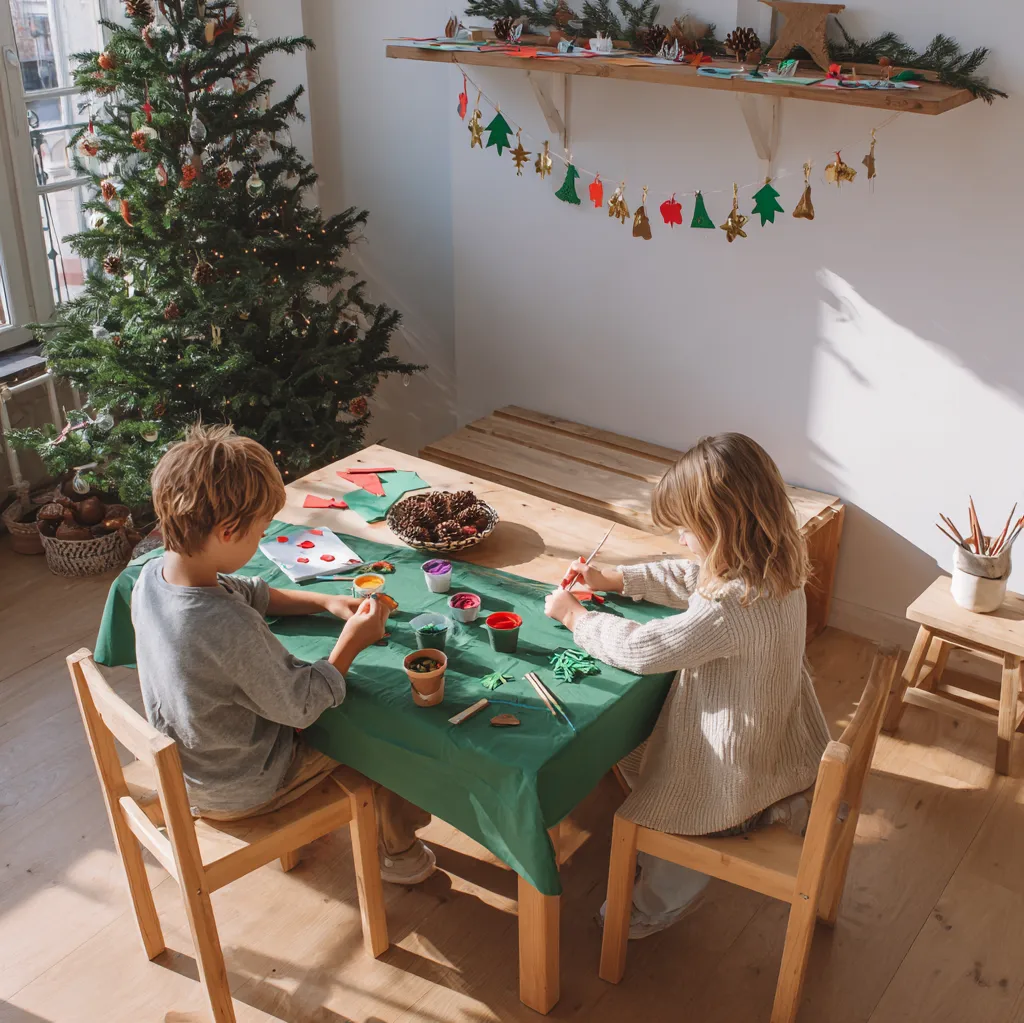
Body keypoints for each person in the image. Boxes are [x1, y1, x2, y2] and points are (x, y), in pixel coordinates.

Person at [544, 433, 830, 938]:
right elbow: (690, 575)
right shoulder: (776, 568)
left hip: (730, 773)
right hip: (775, 740)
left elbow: (641, 651)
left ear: (721, 526)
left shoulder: (731, 607)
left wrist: (576, 618)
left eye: (685, 529)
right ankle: (760, 811)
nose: (679, 540)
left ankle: (661, 900)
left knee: (670, 802)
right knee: (646, 750)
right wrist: (615, 579)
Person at [132, 424, 434, 884]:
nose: (260, 542)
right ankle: (400, 853)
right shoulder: (222, 625)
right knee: (379, 739)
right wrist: (350, 641)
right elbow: (302, 705)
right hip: (244, 785)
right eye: (259, 533)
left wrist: (324, 601)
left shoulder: (153, 575)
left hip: (194, 767)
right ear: (229, 531)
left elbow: (249, 591)